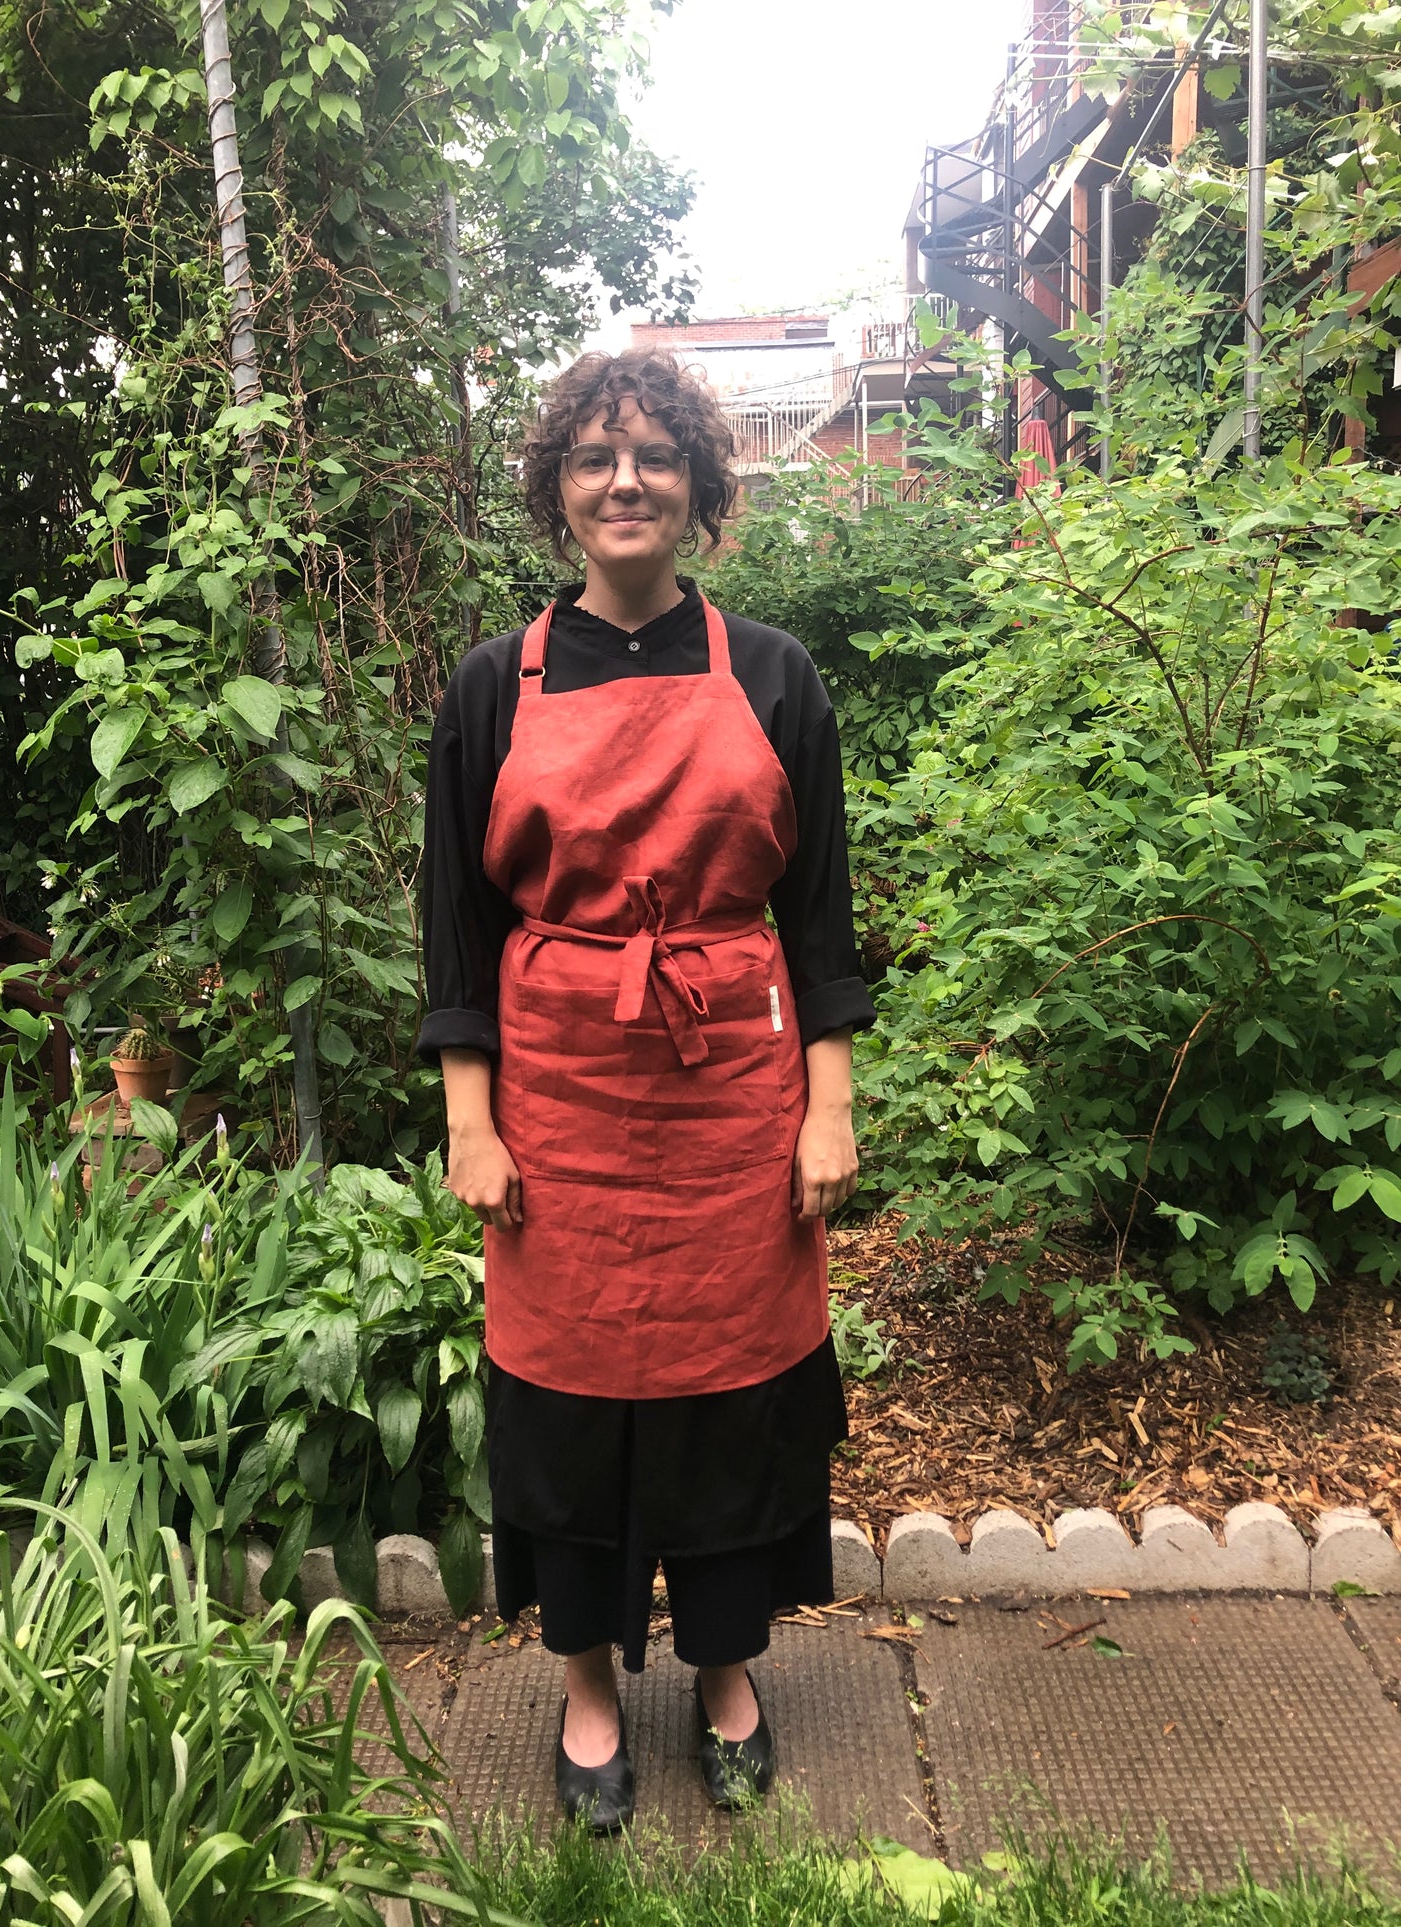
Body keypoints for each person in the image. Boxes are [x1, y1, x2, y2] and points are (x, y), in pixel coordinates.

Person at [419, 348, 875, 1832]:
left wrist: (829, 1105)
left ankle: (727, 1673)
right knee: (567, 1398)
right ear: (558, 488)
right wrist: (469, 1124)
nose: (625, 482)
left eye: (655, 457)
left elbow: (818, 925)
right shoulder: (496, 685)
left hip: (733, 1084)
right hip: (557, 1094)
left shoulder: (773, 673)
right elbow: (456, 927)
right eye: (596, 458)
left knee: (733, 1391)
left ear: (696, 487)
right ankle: (592, 1692)